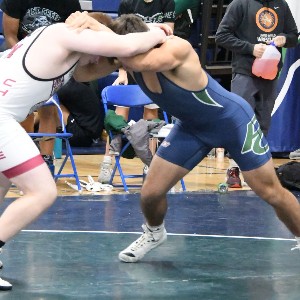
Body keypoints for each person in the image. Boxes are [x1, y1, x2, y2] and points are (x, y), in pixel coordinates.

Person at [78, 13, 300, 262]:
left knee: (271, 192)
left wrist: (99, 28)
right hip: (192, 128)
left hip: (233, 122)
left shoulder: (176, 47)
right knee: (150, 193)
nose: (121, 62)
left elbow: (145, 63)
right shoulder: (125, 57)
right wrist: (75, 41)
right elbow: (81, 75)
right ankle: (154, 233)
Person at [0, 12, 169, 289]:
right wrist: (160, 31)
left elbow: (102, 63)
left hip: (4, 117)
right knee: (42, 192)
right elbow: (125, 47)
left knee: (2, 180)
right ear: (92, 35)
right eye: (97, 53)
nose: (95, 60)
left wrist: (129, 44)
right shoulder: (67, 34)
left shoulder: (65, 52)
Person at [215, 0, 298, 188]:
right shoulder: (240, 4)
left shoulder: (281, 5)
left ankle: (257, 172)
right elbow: (221, 36)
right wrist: (250, 48)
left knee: (263, 123)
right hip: (245, 71)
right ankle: (233, 169)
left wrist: (284, 38)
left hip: (270, 72)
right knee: (240, 122)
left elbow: (293, 36)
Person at [98, 0, 176, 184]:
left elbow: (168, 35)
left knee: (151, 116)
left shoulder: (167, 3)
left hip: (153, 68)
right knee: (119, 116)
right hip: (131, 65)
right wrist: (123, 72)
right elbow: (119, 39)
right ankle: (108, 162)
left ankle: (150, 166)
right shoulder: (128, 3)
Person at [0, 0, 82, 173]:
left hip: (52, 61)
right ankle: (20, 156)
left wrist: (51, 69)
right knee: (21, 109)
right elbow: (10, 35)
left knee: (50, 106)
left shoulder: (69, 3)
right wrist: (28, 67)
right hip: (17, 55)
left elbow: (75, 37)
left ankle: (46, 160)